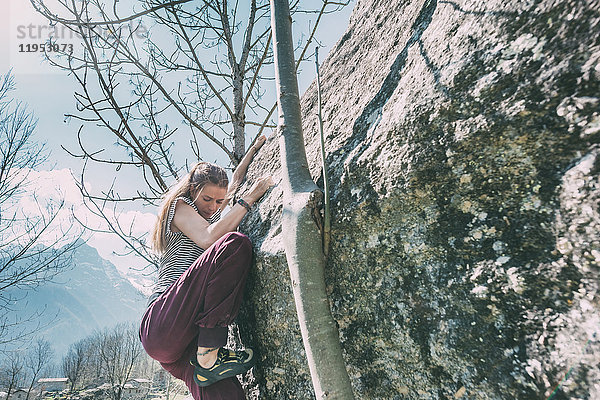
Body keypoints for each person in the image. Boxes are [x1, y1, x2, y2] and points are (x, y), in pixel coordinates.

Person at [139, 136, 273, 400]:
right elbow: (210, 238)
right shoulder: (179, 208)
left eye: (219, 202)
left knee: (227, 395)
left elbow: (233, 183)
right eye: (207, 199)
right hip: (163, 322)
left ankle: (207, 355)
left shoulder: (213, 212)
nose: (214, 207)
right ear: (192, 192)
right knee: (234, 244)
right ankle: (210, 352)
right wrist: (251, 197)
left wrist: (255, 150)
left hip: (185, 344)